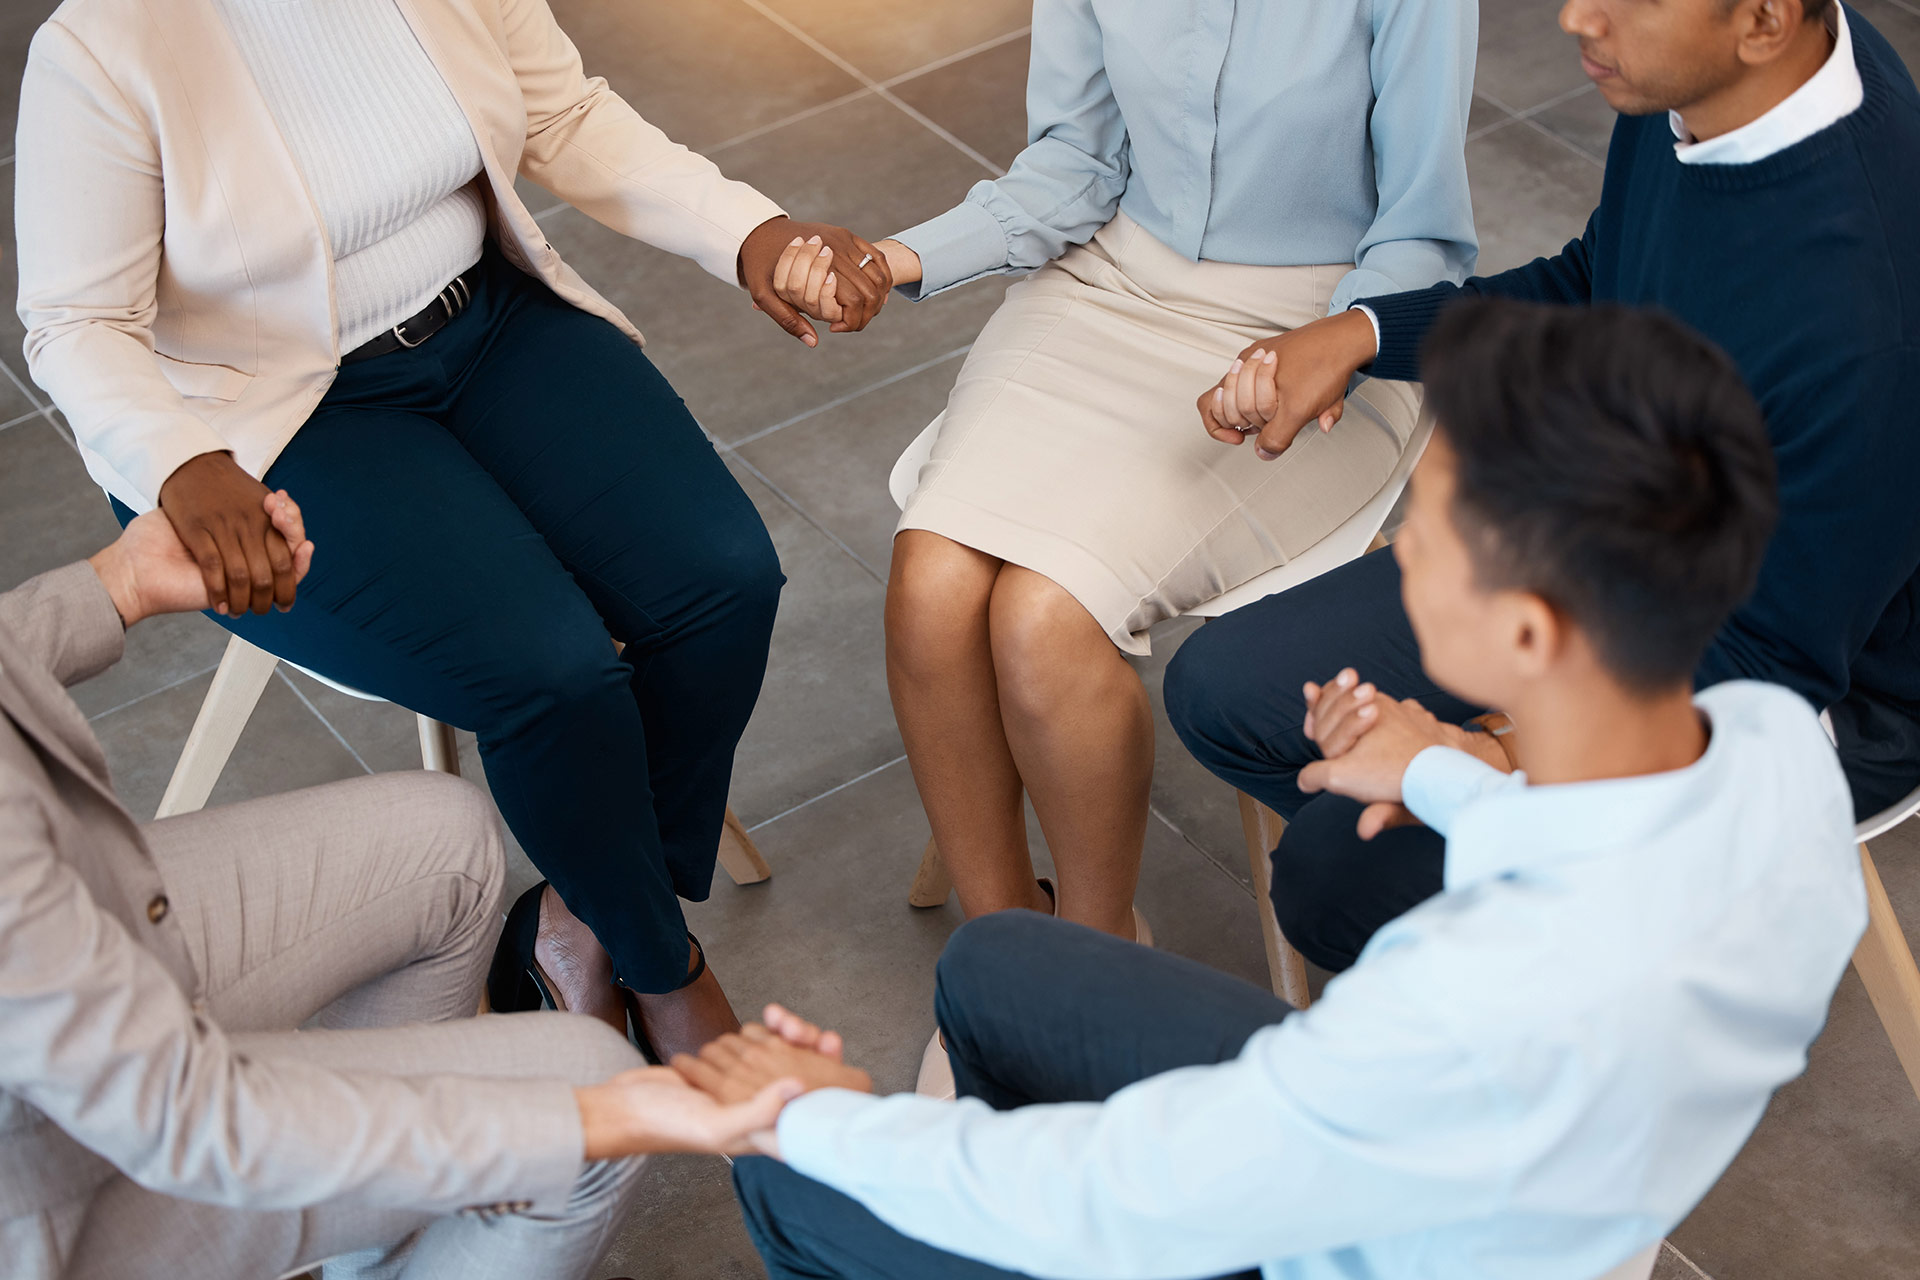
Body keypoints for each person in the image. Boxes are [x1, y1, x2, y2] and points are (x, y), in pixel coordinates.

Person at [680, 301, 1868, 1280]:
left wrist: (818, 1117)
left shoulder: (1452, 992)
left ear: (1527, 627)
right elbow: (1616, 865)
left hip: (1351, 1238)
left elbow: (1133, 1191)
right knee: (996, 962)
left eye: (1434, 528)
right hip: (1536, 1201)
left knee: (795, 1184)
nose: (1405, 546)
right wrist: (1445, 773)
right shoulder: (1776, 747)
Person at [14, 0, 892, 1059]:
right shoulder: (105, 46)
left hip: (487, 323)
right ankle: (664, 970)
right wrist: (180, 462)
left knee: (724, 581)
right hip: (265, 419)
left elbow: (563, 115)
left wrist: (746, 229)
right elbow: (75, 323)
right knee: (553, 674)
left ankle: (578, 922)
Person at [1168, 0, 1920, 973]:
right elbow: (1598, 286)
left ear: (1766, 22)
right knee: (1221, 691)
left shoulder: (1866, 322)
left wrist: (1495, 760)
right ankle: (1548, 928)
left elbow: (1768, 668)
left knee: (1338, 873)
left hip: (1795, 701)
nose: (1577, 18)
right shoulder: (1696, 80)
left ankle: (1627, 982)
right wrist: (1363, 334)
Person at [848, 0, 1476, 1082]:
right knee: (929, 580)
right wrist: (891, 258)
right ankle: (1004, 965)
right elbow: (1074, 166)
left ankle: (1097, 967)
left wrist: (1336, 346)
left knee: (1043, 614)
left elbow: (1422, 230)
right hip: (1106, 286)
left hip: (1317, 326)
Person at [0, 502, 796, 1280]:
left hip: (88, 904)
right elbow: (190, 1115)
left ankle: (380, 1263)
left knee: (449, 837)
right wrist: (614, 1114)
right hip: (53, 1185)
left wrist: (117, 583)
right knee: (580, 1093)